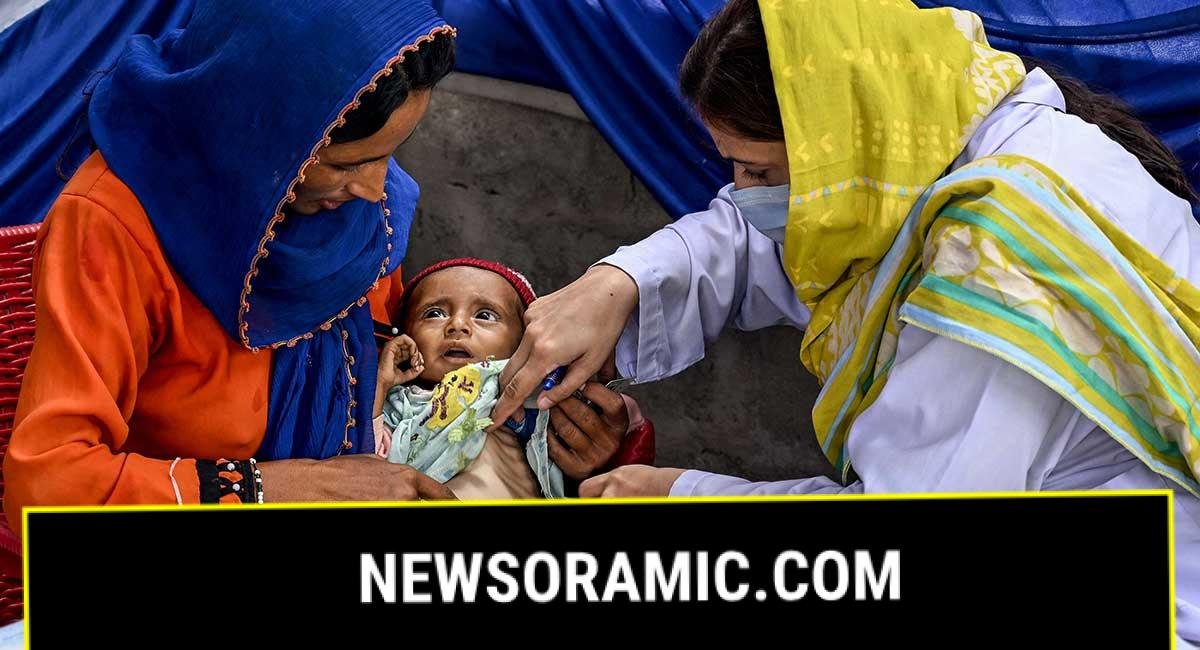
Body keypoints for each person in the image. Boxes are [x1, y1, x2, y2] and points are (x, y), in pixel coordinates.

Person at [489, 0, 1200, 641]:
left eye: (761, 174)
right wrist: (618, 284)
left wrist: (682, 492)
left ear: (844, 145)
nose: (741, 196)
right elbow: (770, 238)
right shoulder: (946, 127)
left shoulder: (996, 268)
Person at [4, 0, 624, 530]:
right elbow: (49, 484)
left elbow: (398, 383)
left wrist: (551, 436)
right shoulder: (113, 226)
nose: (378, 189)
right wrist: (279, 488)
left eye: (390, 155)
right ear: (264, 133)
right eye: (348, 163)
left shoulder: (353, 223)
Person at [373, 258, 643, 499]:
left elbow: (616, 415)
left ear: (527, 341)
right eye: (434, 313)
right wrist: (379, 388)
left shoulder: (542, 395)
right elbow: (369, 466)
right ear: (404, 336)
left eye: (485, 315)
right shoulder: (402, 405)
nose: (457, 325)